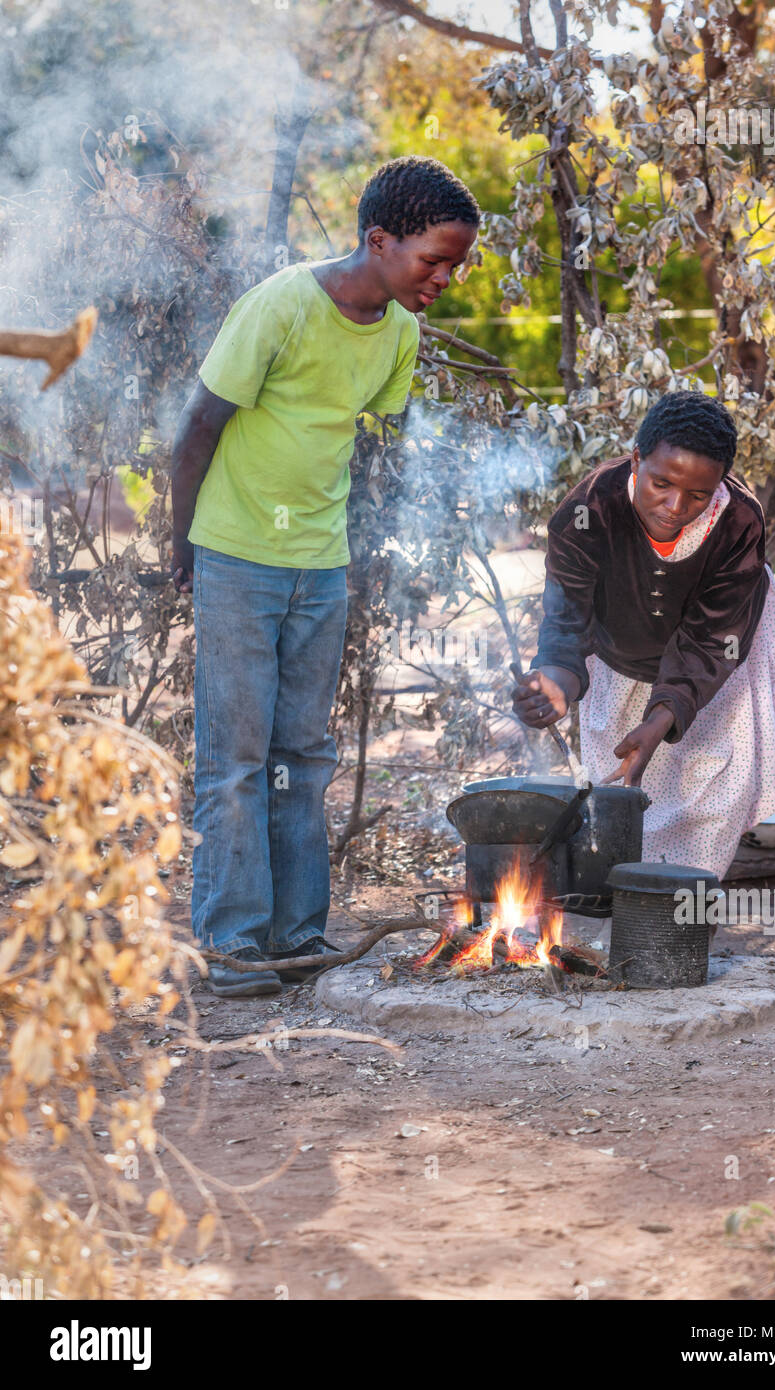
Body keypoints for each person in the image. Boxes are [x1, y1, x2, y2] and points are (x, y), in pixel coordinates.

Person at [171, 156, 480, 996]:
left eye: (456, 264)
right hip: (237, 557)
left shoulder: (402, 334)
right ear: (379, 240)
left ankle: (298, 936)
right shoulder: (280, 305)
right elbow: (197, 428)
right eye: (433, 260)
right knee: (235, 760)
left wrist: (356, 549)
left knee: (301, 757)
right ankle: (233, 948)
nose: (444, 278)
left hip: (320, 567)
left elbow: (356, 443)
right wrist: (183, 550)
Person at [511, 390, 775, 881]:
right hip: (618, 648)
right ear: (637, 458)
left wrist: (660, 722)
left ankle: (681, 913)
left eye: (698, 494)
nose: (676, 505)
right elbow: (567, 622)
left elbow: (709, 641)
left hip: (718, 652)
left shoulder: (739, 521)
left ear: (718, 485)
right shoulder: (588, 509)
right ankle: (629, 907)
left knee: (710, 785)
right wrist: (555, 685)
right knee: (619, 794)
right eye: (661, 483)